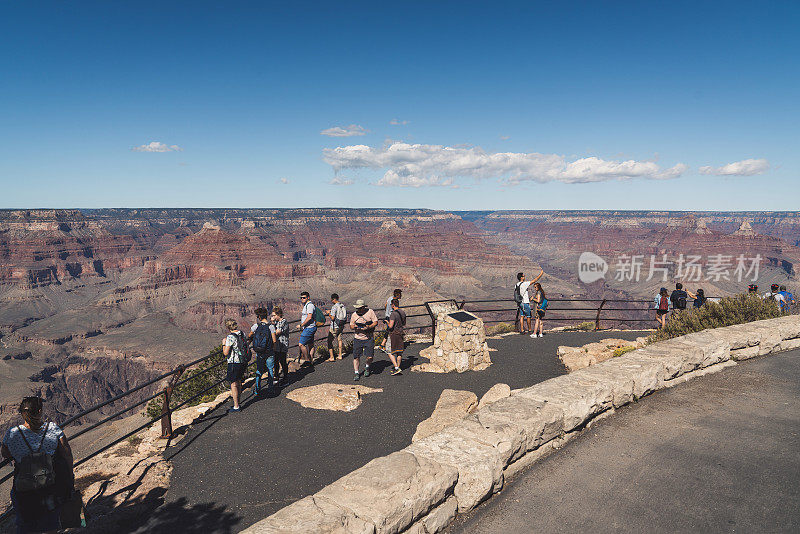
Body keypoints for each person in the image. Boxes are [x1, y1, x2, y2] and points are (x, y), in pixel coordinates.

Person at [2, 396, 73, 534]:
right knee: (51, 524)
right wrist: (70, 476)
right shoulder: (52, 428)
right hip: (50, 486)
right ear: (40, 411)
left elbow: (5, 453)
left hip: (24, 489)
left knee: (25, 525)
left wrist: (22, 454)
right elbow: (67, 454)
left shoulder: (12, 433)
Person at [249, 308, 276, 395]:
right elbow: (274, 340)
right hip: (269, 352)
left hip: (260, 352)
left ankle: (257, 389)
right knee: (270, 369)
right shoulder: (271, 326)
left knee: (259, 370)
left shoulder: (256, 326)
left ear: (259, 317)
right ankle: (270, 388)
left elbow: (250, 335)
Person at [222, 318, 248, 413]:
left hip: (234, 363)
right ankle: (238, 402)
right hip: (243, 361)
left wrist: (223, 344)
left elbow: (225, 353)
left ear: (228, 327)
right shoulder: (242, 334)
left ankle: (236, 406)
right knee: (239, 381)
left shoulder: (230, 337)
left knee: (233, 384)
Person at [349, 299, 378, 381]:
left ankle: (367, 367)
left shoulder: (370, 312)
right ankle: (356, 373)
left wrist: (369, 327)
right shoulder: (354, 315)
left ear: (363, 307)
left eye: (359, 308)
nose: (358, 310)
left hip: (368, 338)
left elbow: (375, 322)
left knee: (370, 356)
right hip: (358, 338)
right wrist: (356, 327)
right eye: (357, 308)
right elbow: (351, 326)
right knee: (356, 357)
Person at [514, 269, 544, 334]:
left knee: (522, 316)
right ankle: (529, 330)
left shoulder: (516, 285)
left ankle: (522, 330)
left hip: (519, 302)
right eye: (524, 276)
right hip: (525, 302)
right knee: (528, 316)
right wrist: (541, 274)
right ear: (521, 277)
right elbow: (535, 280)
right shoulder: (524, 284)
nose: (525, 277)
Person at [387, 298, 407, 375]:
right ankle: (398, 368)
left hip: (394, 334)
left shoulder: (393, 314)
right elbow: (404, 323)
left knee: (389, 351)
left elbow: (391, 326)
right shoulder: (403, 312)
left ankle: (396, 367)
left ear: (393, 305)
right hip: (401, 333)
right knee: (399, 352)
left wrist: (387, 322)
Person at [297, 291, 317, 366]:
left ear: (308, 297)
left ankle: (307, 360)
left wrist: (301, 325)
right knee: (310, 344)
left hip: (309, 328)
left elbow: (309, 317)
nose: (302, 299)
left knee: (301, 344)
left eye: (304, 297)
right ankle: (311, 360)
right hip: (311, 327)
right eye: (301, 298)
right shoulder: (307, 305)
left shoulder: (309, 306)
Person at [271, 307, 289, 385]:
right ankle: (276, 377)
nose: (273, 317)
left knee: (282, 362)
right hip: (277, 345)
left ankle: (285, 378)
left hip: (283, 345)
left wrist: (272, 325)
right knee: (276, 362)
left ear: (278, 315)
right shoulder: (277, 322)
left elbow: (277, 332)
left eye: (274, 315)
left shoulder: (284, 322)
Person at [380, 289, 402, 353]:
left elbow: (385, 305)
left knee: (389, 330)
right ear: (398, 295)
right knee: (391, 330)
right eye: (400, 294)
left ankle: (383, 344)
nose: (401, 296)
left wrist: (387, 311)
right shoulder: (395, 301)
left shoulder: (390, 298)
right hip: (391, 317)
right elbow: (395, 309)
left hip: (387, 315)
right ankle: (385, 345)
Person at [326, 294, 347, 361]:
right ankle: (340, 355)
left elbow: (332, 317)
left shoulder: (334, 307)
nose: (331, 301)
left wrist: (328, 313)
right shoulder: (342, 305)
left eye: (331, 299)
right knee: (339, 339)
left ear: (333, 299)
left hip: (335, 326)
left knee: (329, 341)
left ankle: (332, 357)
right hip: (341, 325)